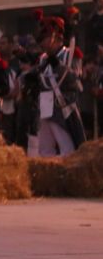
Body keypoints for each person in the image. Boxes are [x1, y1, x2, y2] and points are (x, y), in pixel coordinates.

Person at [22, 12, 85, 156]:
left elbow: (75, 80)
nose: (41, 43)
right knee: (44, 150)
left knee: (67, 149)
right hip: (45, 107)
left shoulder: (71, 54)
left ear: (55, 37)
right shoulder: (43, 58)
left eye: (44, 39)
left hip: (63, 108)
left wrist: (58, 65)